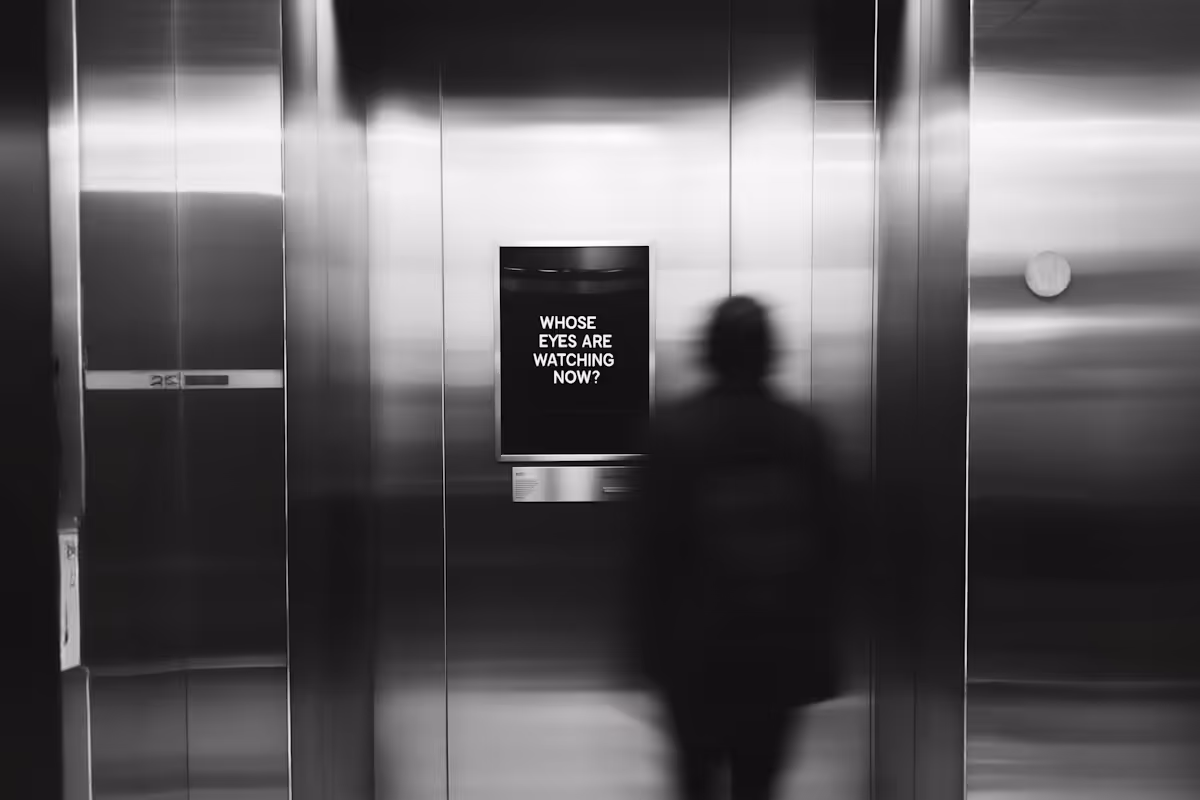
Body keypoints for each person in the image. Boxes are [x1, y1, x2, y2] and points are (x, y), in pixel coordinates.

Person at [629, 295, 845, 800]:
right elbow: (832, 554)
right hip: (777, 647)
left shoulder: (672, 434)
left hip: (696, 650)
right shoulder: (803, 434)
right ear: (771, 353)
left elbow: (651, 557)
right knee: (759, 783)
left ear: (709, 353)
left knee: (695, 780)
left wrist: (649, 652)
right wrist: (822, 655)